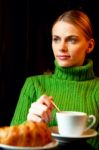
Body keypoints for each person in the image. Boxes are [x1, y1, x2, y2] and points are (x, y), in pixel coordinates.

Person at [10, 10, 99, 150]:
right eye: (56, 39)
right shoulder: (34, 84)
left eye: (72, 40)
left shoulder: (97, 88)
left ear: (90, 46)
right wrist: (30, 127)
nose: (61, 47)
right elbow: (11, 144)